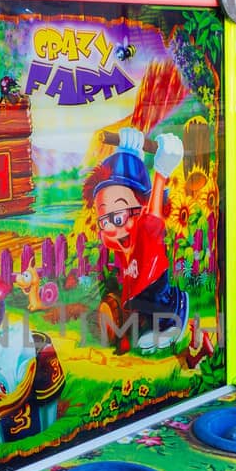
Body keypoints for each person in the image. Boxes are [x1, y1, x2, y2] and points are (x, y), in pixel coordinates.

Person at [85, 126, 188, 352]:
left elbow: (153, 217)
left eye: (118, 217)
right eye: (104, 220)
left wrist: (161, 172)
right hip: (137, 297)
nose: (112, 227)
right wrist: (130, 157)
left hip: (155, 291)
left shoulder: (145, 230)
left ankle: (168, 323)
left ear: (141, 207)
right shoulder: (122, 246)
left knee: (149, 297)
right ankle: (148, 327)